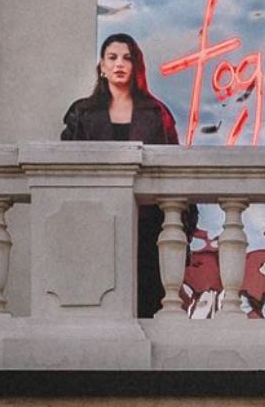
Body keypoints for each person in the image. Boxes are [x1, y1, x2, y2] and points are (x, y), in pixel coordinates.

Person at [62, 33, 195, 318]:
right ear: (102, 66)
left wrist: (186, 227)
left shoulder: (156, 113)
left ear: (136, 65)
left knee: (146, 304)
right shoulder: (82, 114)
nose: (119, 63)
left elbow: (175, 168)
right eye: (112, 57)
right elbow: (65, 170)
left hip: (147, 225)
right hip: (96, 225)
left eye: (127, 57)